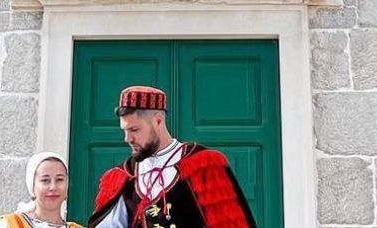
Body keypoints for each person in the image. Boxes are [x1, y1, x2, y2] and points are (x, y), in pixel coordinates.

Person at [88, 86, 257, 228]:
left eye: (134, 130)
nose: (128, 139)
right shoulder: (123, 176)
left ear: (158, 120)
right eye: (124, 131)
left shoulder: (204, 165)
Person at [0, 151, 83, 228]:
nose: (53, 187)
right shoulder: (10, 224)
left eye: (59, 180)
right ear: (32, 186)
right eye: (45, 180)